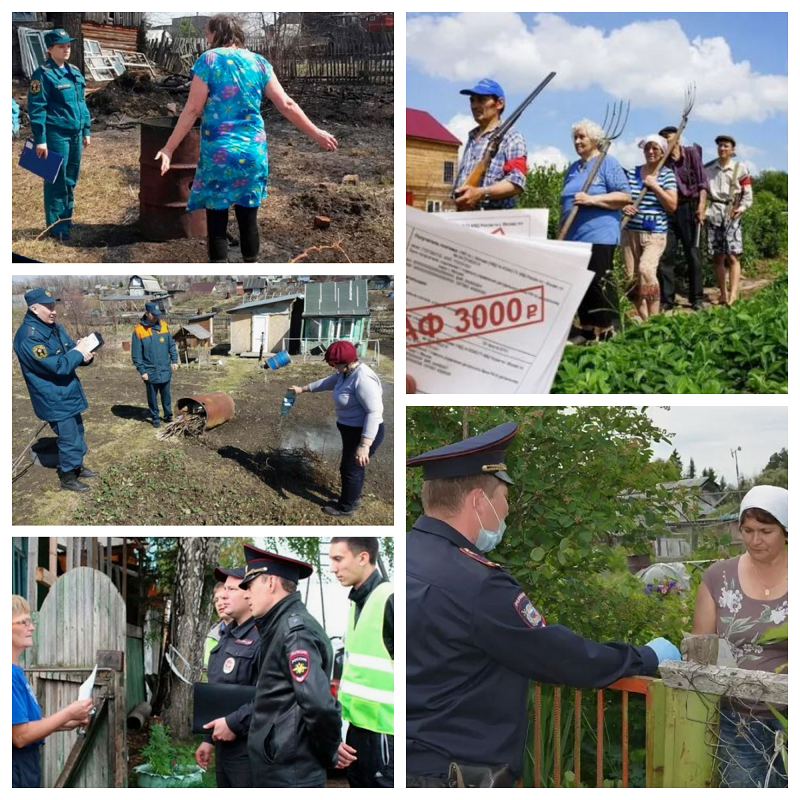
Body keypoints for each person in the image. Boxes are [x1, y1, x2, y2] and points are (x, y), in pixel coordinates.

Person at [406, 422, 681, 787]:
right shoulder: (479, 584)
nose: (505, 511)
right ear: (478, 500)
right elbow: (563, 657)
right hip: (454, 775)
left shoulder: (406, 555)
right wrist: (646, 657)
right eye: (504, 497)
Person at [154, 14, 338, 264]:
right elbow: (286, 104)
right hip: (252, 152)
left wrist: (169, 147)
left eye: (207, 33)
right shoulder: (260, 63)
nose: (206, 38)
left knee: (217, 225)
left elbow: (192, 110)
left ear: (216, 33)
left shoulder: (208, 60)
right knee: (248, 221)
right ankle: (251, 265)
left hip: (219, 155)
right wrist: (316, 133)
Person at [691, 485, 787, 788]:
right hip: (739, 719)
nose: (754, 540)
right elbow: (700, 648)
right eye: (747, 530)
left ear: (787, 529)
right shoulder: (718, 578)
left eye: (765, 530)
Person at [239, 544, 355, 787]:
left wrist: (330, 752)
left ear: (270, 583)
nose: (246, 594)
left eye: (249, 586)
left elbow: (319, 705)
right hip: (279, 765)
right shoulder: (279, 626)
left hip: (290, 772)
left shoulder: (294, 632)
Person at [13, 288, 97, 492]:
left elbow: (69, 352)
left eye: (53, 305)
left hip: (67, 392)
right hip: (53, 397)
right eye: (48, 306)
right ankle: (68, 477)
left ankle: (77, 466)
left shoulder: (54, 328)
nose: (53, 311)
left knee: (77, 432)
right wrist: (77, 353)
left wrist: (83, 353)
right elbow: (59, 365)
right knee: (68, 438)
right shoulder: (30, 338)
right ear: (33, 308)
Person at [289, 340, 384, 518]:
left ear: (346, 363)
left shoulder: (362, 379)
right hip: (351, 431)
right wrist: (302, 389)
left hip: (363, 433)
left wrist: (364, 444)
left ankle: (346, 508)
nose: (334, 368)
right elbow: (327, 382)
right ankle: (353, 498)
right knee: (353, 467)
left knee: (350, 469)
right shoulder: (346, 373)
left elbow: (374, 412)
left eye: (335, 365)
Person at [330, 537, 394, 788]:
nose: (333, 568)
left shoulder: (390, 599)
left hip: (386, 735)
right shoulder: (357, 602)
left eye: (338, 559)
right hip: (358, 732)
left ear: (363, 557)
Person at [560, 119, 631, 343]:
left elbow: (624, 196)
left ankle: (609, 331)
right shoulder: (573, 168)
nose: (578, 141)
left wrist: (592, 199)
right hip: (572, 236)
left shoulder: (607, 163)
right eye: (575, 138)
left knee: (599, 283)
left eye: (582, 137)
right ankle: (588, 330)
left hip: (599, 234)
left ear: (595, 140)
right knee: (581, 284)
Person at [12, 594, 94, 788]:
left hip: (24, 766)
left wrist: (69, 721)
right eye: (24, 622)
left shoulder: (16, 671)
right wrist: (68, 712)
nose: (31, 627)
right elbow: (19, 736)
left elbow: (28, 726)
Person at [195, 566, 260, 787]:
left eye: (231, 589)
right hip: (224, 745)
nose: (222, 595)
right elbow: (219, 690)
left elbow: (270, 696)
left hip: (250, 750)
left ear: (249, 592)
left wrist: (233, 724)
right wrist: (208, 740)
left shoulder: (264, 636)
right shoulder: (227, 635)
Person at [26, 29, 91, 242]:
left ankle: (66, 220)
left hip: (75, 133)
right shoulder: (42, 74)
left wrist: (86, 130)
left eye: (68, 45)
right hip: (55, 134)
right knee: (56, 179)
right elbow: (37, 109)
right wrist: (41, 139)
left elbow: (82, 103)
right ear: (50, 49)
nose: (66, 49)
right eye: (61, 46)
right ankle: (56, 228)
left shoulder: (74, 71)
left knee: (71, 178)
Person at [621, 135, 678, 320]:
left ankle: (655, 318)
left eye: (655, 148)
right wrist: (624, 206)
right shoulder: (632, 172)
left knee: (646, 270)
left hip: (655, 234)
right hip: (630, 233)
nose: (650, 152)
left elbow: (672, 205)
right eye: (647, 148)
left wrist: (655, 187)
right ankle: (645, 320)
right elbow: (623, 197)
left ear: (662, 152)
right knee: (631, 279)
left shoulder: (667, 175)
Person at [451, 78, 527, 211]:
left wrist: (481, 193)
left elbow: (517, 182)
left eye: (481, 99)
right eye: (472, 100)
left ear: (499, 103)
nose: (474, 106)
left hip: (494, 221)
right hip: (464, 218)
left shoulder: (512, 137)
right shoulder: (472, 138)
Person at [656, 126, 709, 311]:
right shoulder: (662, 162)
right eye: (664, 140)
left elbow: (703, 183)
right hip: (669, 209)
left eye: (670, 139)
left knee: (693, 254)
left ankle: (697, 298)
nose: (667, 143)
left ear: (677, 139)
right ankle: (667, 300)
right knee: (666, 255)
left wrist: (701, 207)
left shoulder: (692, 153)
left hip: (690, 207)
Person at [704, 135, 753, 306]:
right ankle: (722, 294)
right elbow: (702, 192)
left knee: (733, 256)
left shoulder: (740, 168)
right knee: (717, 257)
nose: (722, 149)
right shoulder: (708, 169)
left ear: (732, 150)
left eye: (725, 146)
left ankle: (733, 295)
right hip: (713, 214)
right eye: (719, 146)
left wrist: (741, 209)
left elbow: (748, 195)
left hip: (733, 215)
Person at [131, 301, 178, 428]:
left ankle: (168, 416)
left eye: (158, 314)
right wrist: (142, 371)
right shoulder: (139, 330)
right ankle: (155, 417)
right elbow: (136, 355)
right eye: (154, 314)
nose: (157, 317)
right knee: (152, 396)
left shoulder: (164, 326)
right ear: (147, 313)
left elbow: (171, 345)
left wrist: (174, 360)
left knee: (166, 395)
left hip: (165, 369)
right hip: (150, 371)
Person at [204, 581, 233, 677]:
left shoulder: (251, 632)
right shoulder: (211, 636)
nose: (220, 603)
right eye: (216, 600)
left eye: (224, 598)